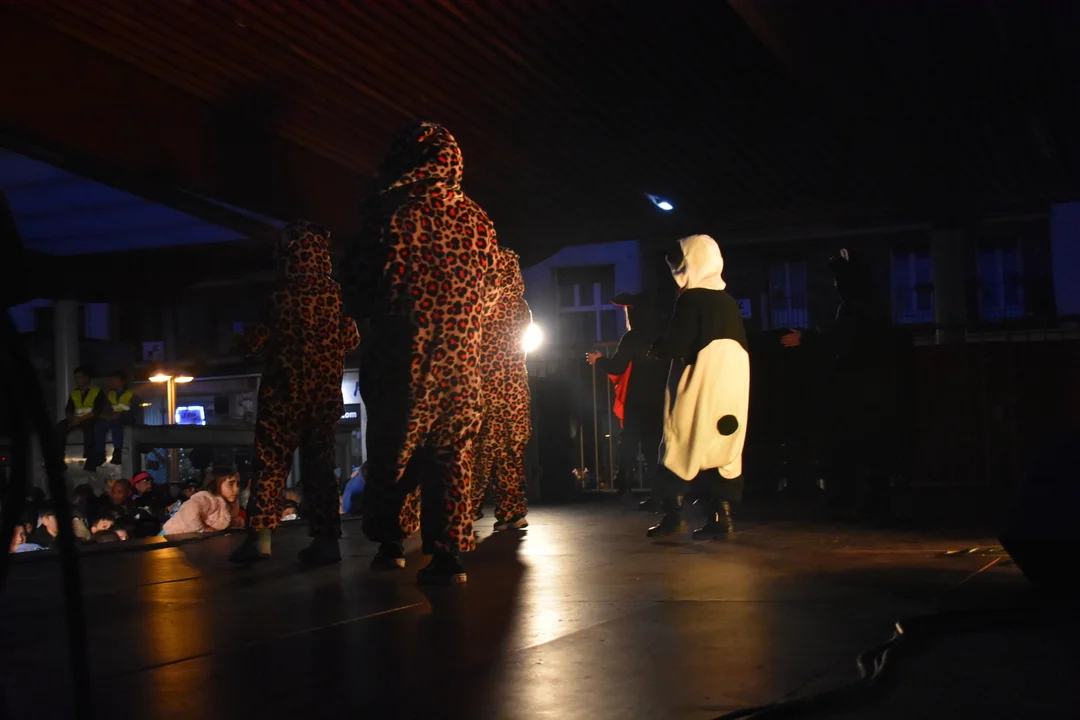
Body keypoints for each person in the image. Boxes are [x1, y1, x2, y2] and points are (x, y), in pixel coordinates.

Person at [344, 121, 498, 585]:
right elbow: (492, 292)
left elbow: (358, 288)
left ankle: (391, 544)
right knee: (451, 458)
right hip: (461, 364)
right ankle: (449, 556)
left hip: (401, 359)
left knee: (392, 453)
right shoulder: (478, 218)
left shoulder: (389, 213)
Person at [228, 222, 360, 565]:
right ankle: (327, 540)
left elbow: (253, 342)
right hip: (323, 400)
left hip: (282, 397)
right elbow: (352, 339)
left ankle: (261, 538)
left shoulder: (279, 295)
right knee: (321, 469)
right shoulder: (337, 297)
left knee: (270, 466)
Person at [780, 248, 907, 521]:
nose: (835, 285)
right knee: (869, 448)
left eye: (838, 279)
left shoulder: (855, 308)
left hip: (859, 391)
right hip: (873, 391)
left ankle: (856, 499)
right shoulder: (872, 305)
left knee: (853, 445)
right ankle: (869, 500)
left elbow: (843, 341)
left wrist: (806, 340)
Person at [646, 235, 751, 540]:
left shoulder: (691, 299)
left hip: (700, 379)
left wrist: (658, 348)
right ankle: (723, 518)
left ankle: (672, 516)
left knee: (681, 438)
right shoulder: (727, 300)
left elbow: (677, 343)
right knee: (724, 445)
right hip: (733, 382)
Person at [586, 292, 668, 507]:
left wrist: (598, 360)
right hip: (661, 399)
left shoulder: (632, 338)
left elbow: (617, 366)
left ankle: (624, 484)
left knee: (629, 443)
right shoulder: (664, 334)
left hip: (637, 400)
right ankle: (659, 493)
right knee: (654, 446)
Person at [471, 247, 532, 531]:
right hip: (515, 390)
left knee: (480, 451)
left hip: (486, 387)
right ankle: (513, 512)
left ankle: (465, 510)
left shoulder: (481, 305)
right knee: (511, 452)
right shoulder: (521, 307)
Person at [55, 366, 109, 471]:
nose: (77, 380)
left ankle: (91, 460)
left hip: (90, 419)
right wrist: (72, 419)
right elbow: (69, 409)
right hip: (76, 419)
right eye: (76, 378)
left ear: (86, 378)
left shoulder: (97, 391)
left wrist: (80, 419)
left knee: (90, 430)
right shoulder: (74, 393)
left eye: (79, 377)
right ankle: (59, 460)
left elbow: (97, 410)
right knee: (59, 428)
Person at [162, 466, 243, 536]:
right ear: (216, 484)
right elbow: (189, 510)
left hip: (188, 540)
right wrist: (201, 530)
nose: (237, 489)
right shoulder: (207, 498)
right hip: (169, 536)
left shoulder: (232, 504)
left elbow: (221, 521)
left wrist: (235, 522)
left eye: (238, 484)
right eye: (230, 484)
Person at [94, 370, 141, 467]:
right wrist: (106, 415)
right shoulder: (111, 395)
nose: (112, 381)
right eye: (112, 379)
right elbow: (107, 408)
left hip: (126, 419)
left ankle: (117, 452)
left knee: (117, 425)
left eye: (115, 379)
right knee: (99, 426)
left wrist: (121, 414)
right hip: (113, 418)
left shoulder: (131, 394)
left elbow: (135, 410)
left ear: (122, 381)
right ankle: (100, 453)